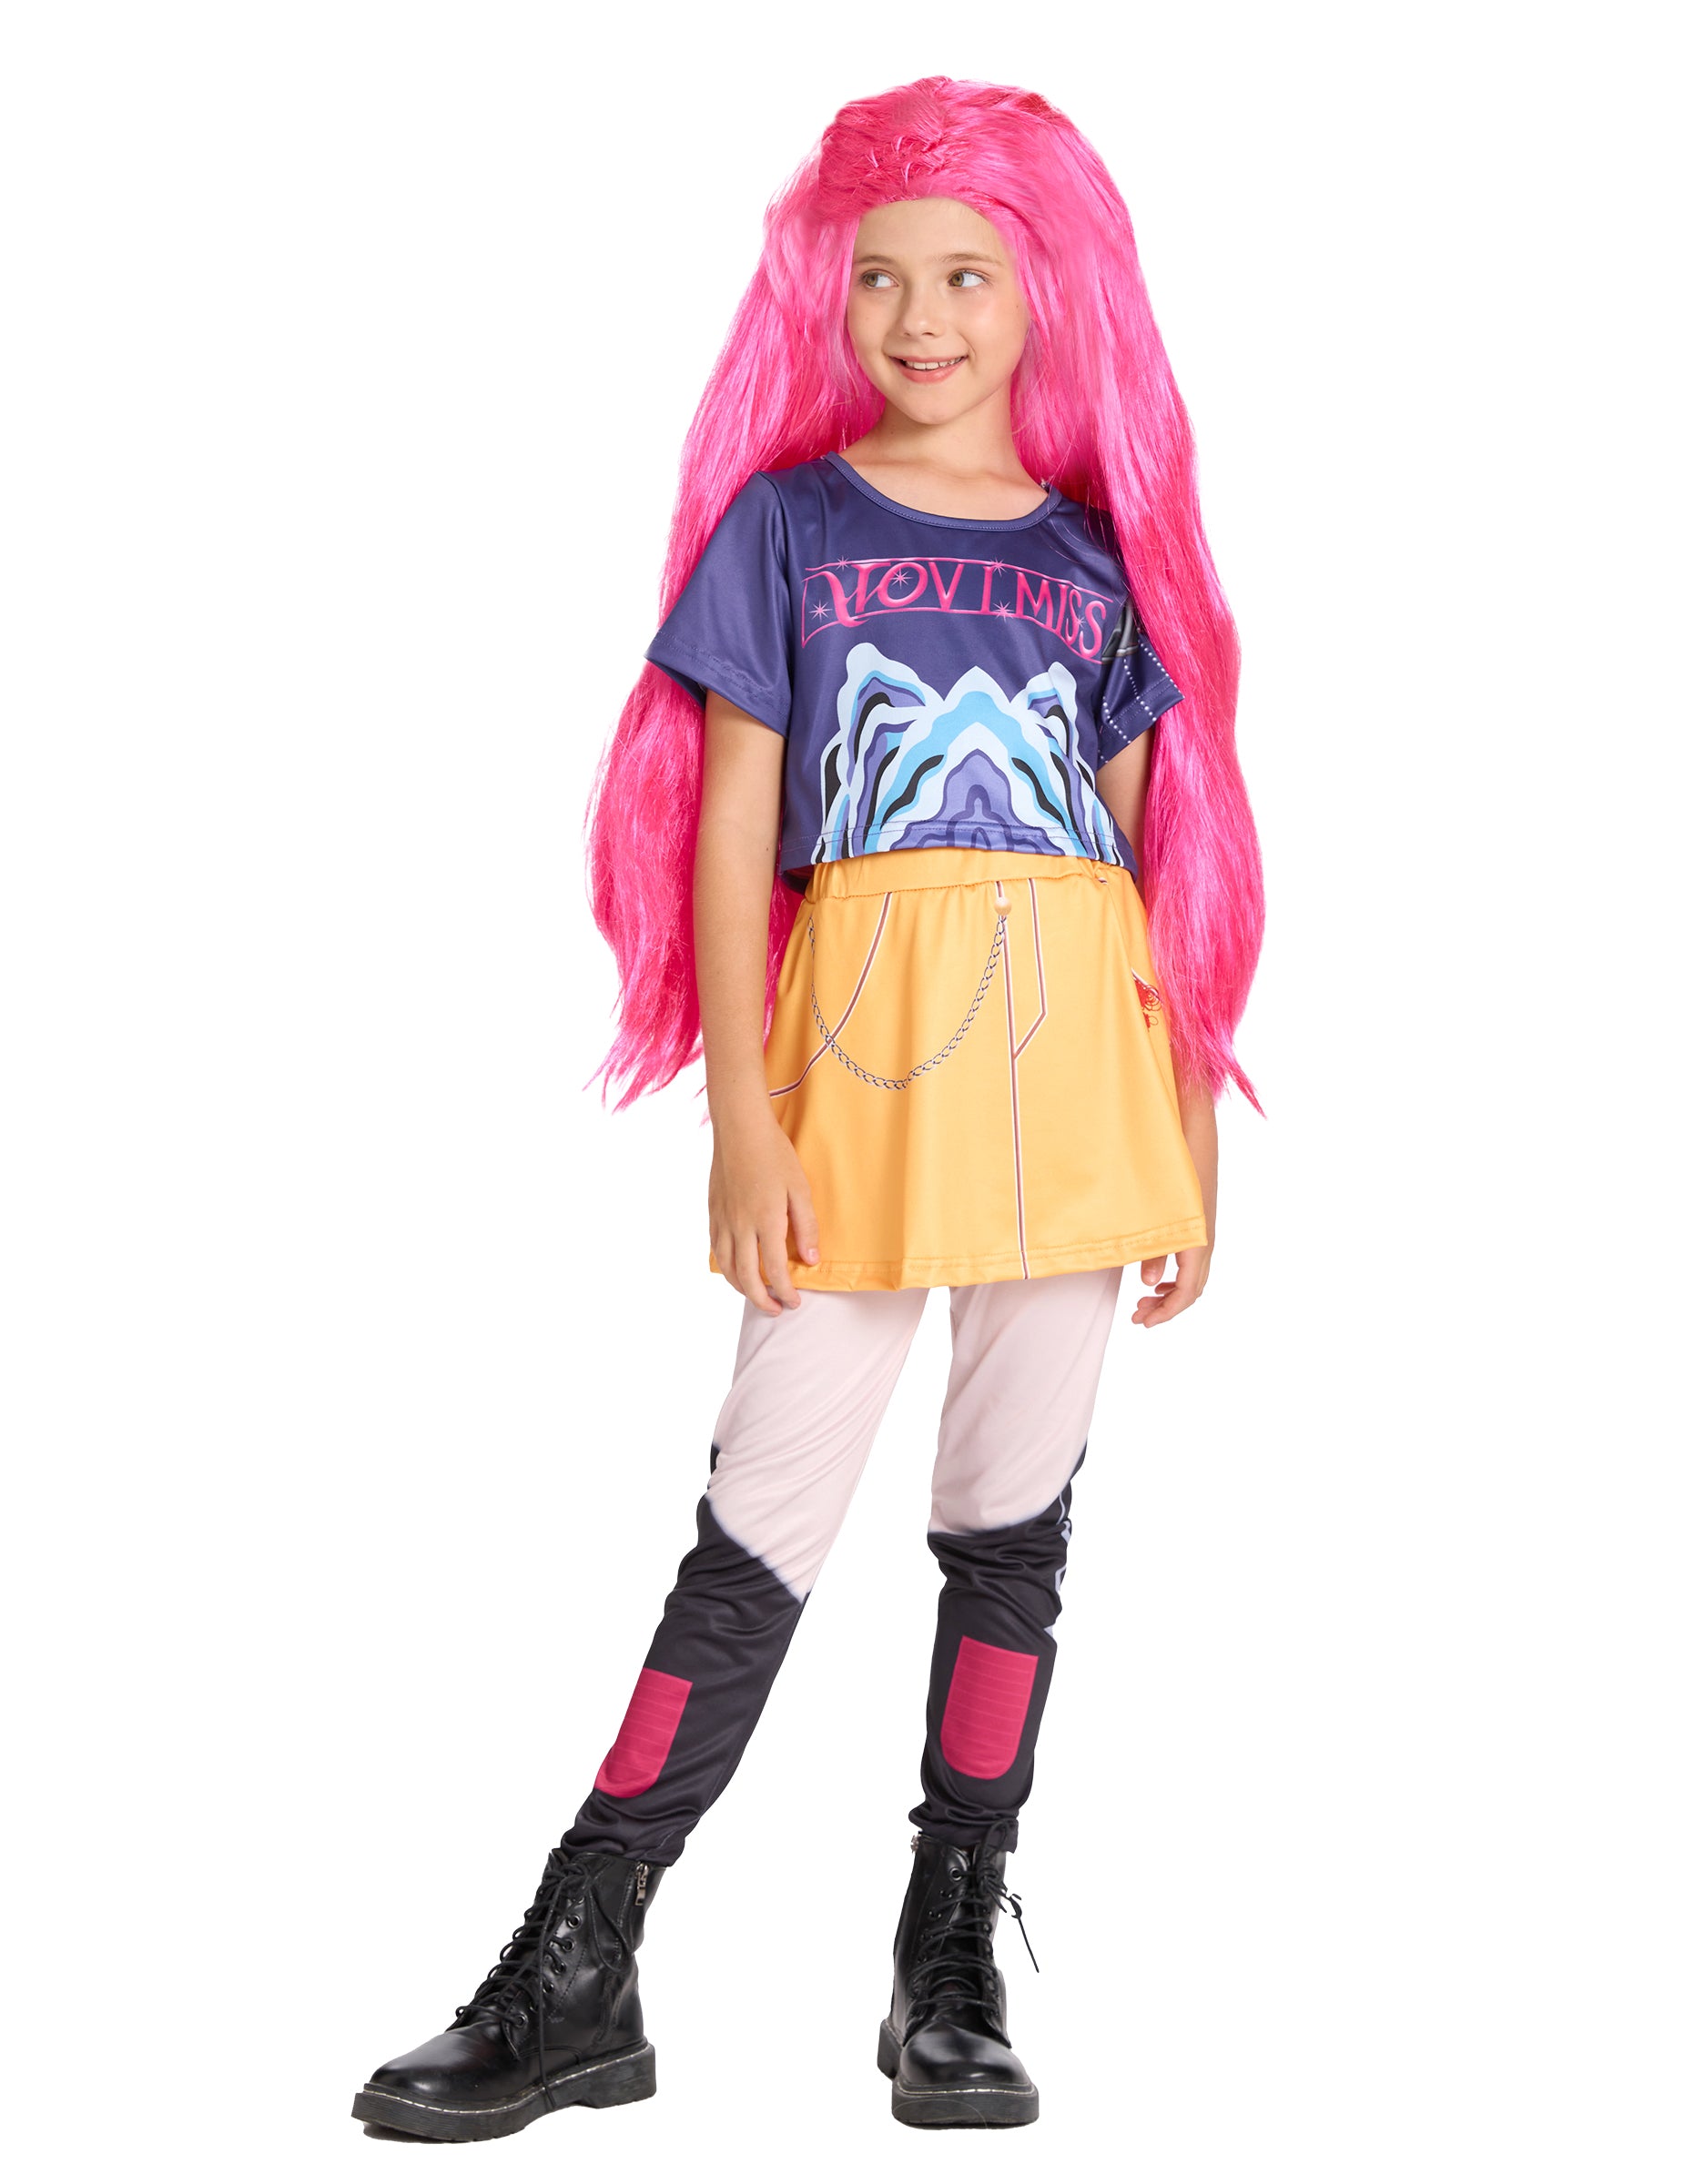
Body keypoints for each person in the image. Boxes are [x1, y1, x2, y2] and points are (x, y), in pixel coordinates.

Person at [351, 73, 1263, 2141]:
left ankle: (947, 1958)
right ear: (827, 297)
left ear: (1046, 295)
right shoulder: (790, 525)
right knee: (756, 1529)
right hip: (857, 1063)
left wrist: (1189, 1118)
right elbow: (728, 817)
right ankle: (580, 1956)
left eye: (966, 275)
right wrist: (743, 1124)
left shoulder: (1093, 559)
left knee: (1010, 1527)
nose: (921, 316)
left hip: (1080, 1075)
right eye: (880, 278)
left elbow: (1159, 849)